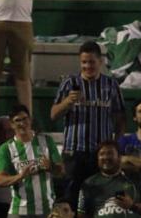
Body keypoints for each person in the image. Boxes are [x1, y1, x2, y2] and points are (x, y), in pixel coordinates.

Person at [51, 40, 126, 209]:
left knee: (101, 200)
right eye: (84, 62)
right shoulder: (69, 83)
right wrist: (67, 103)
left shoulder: (111, 85)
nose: (87, 66)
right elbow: (53, 114)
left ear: (100, 61)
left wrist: (117, 143)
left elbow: (120, 116)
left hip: (101, 154)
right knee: (71, 200)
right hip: (74, 153)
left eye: (91, 62)